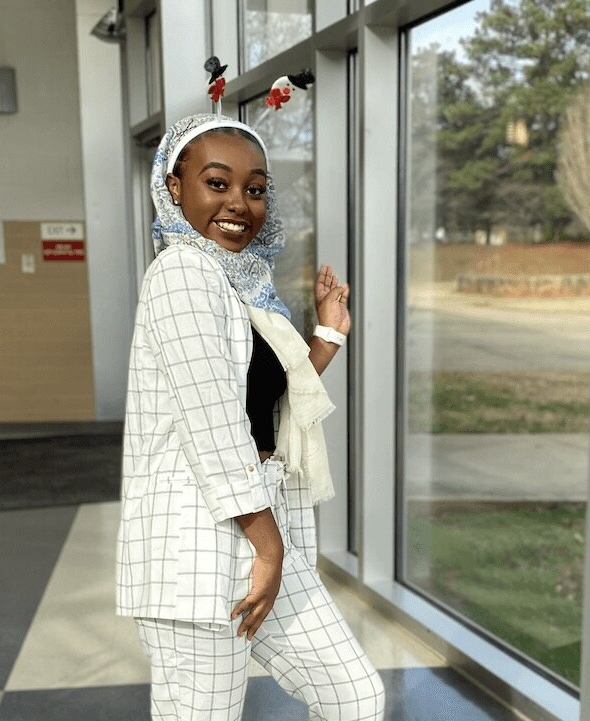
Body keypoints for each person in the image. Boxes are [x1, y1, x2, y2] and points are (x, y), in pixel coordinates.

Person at [116, 112, 385, 721]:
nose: (239, 202)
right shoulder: (182, 275)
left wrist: (328, 336)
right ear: (173, 187)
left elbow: (262, 405)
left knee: (355, 697)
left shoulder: (241, 284)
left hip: (261, 526)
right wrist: (268, 551)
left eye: (255, 188)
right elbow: (215, 424)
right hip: (197, 544)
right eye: (217, 182)